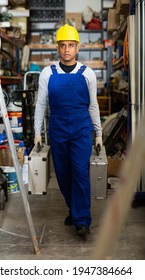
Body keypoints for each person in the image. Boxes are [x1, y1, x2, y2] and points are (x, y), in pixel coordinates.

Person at [34, 24, 102, 236]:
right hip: (58, 130)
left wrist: (98, 134)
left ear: (77, 48)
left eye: (70, 45)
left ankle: (82, 220)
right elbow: (41, 105)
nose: (66, 49)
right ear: (57, 48)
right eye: (62, 45)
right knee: (63, 176)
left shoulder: (87, 73)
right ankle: (74, 209)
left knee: (80, 173)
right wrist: (38, 132)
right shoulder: (47, 73)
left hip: (82, 130)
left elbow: (93, 105)